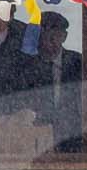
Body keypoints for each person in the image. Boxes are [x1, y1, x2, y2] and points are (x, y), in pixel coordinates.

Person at [33, 11, 83, 147]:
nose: (50, 38)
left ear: (64, 36)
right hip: (36, 136)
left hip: (73, 138)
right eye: (45, 32)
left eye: (55, 33)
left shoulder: (79, 63)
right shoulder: (28, 65)